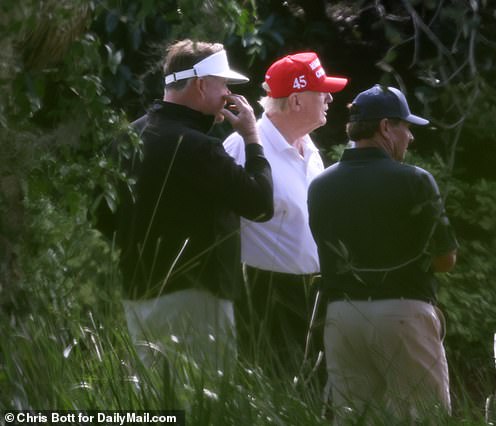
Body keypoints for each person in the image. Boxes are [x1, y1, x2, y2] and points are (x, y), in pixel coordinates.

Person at [97, 39, 274, 371]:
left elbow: (101, 217)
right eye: (222, 83)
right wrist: (252, 138)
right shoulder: (198, 147)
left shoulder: (125, 139)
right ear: (201, 84)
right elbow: (261, 204)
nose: (226, 93)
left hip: (138, 297)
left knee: (154, 403)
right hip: (197, 299)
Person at [307, 84, 458, 421]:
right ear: (386, 127)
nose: (410, 137)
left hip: (342, 318)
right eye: (405, 126)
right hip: (403, 314)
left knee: (354, 418)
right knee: (425, 417)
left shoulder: (320, 185)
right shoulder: (415, 181)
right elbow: (445, 259)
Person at [222, 52, 348, 373]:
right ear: (295, 101)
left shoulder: (310, 148)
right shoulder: (243, 146)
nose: (330, 98)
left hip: (312, 292)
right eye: (322, 92)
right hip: (263, 294)